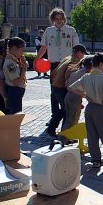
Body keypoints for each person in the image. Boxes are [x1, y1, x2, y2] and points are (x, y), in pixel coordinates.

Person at [69, 52, 103, 170]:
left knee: (92, 135)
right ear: (102, 64)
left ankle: (96, 160)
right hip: (101, 108)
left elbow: (71, 87)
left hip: (90, 108)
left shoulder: (86, 76)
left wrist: (84, 95)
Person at [36, 8, 80, 136]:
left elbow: (76, 48)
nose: (59, 21)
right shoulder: (49, 31)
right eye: (57, 19)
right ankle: (54, 115)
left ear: (64, 19)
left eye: (61, 19)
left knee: (66, 91)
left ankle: (65, 117)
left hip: (68, 64)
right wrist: (36, 60)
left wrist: (77, 63)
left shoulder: (71, 31)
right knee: (54, 92)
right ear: (53, 20)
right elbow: (44, 47)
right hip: (54, 64)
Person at [49, 44, 88, 135]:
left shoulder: (67, 58)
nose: (83, 56)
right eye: (83, 53)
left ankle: (51, 128)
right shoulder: (74, 62)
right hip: (62, 88)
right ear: (78, 52)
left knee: (63, 110)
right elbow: (69, 80)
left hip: (55, 85)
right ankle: (65, 134)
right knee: (67, 111)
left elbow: (54, 71)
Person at [62, 56, 93, 132]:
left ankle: (68, 136)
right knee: (72, 120)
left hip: (69, 97)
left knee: (70, 118)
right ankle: (63, 139)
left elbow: (67, 83)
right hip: (74, 99)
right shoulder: (85, 75)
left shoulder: (78, 71)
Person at [3, 37, 28, 114]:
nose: (22, 53)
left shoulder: (14, 60)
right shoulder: (10, 63)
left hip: (16, 91)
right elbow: (17, 82)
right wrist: (24, 68)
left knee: (16, 114)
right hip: (14, 90)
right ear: (14, 48)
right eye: (21, 50)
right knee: (16, 115)